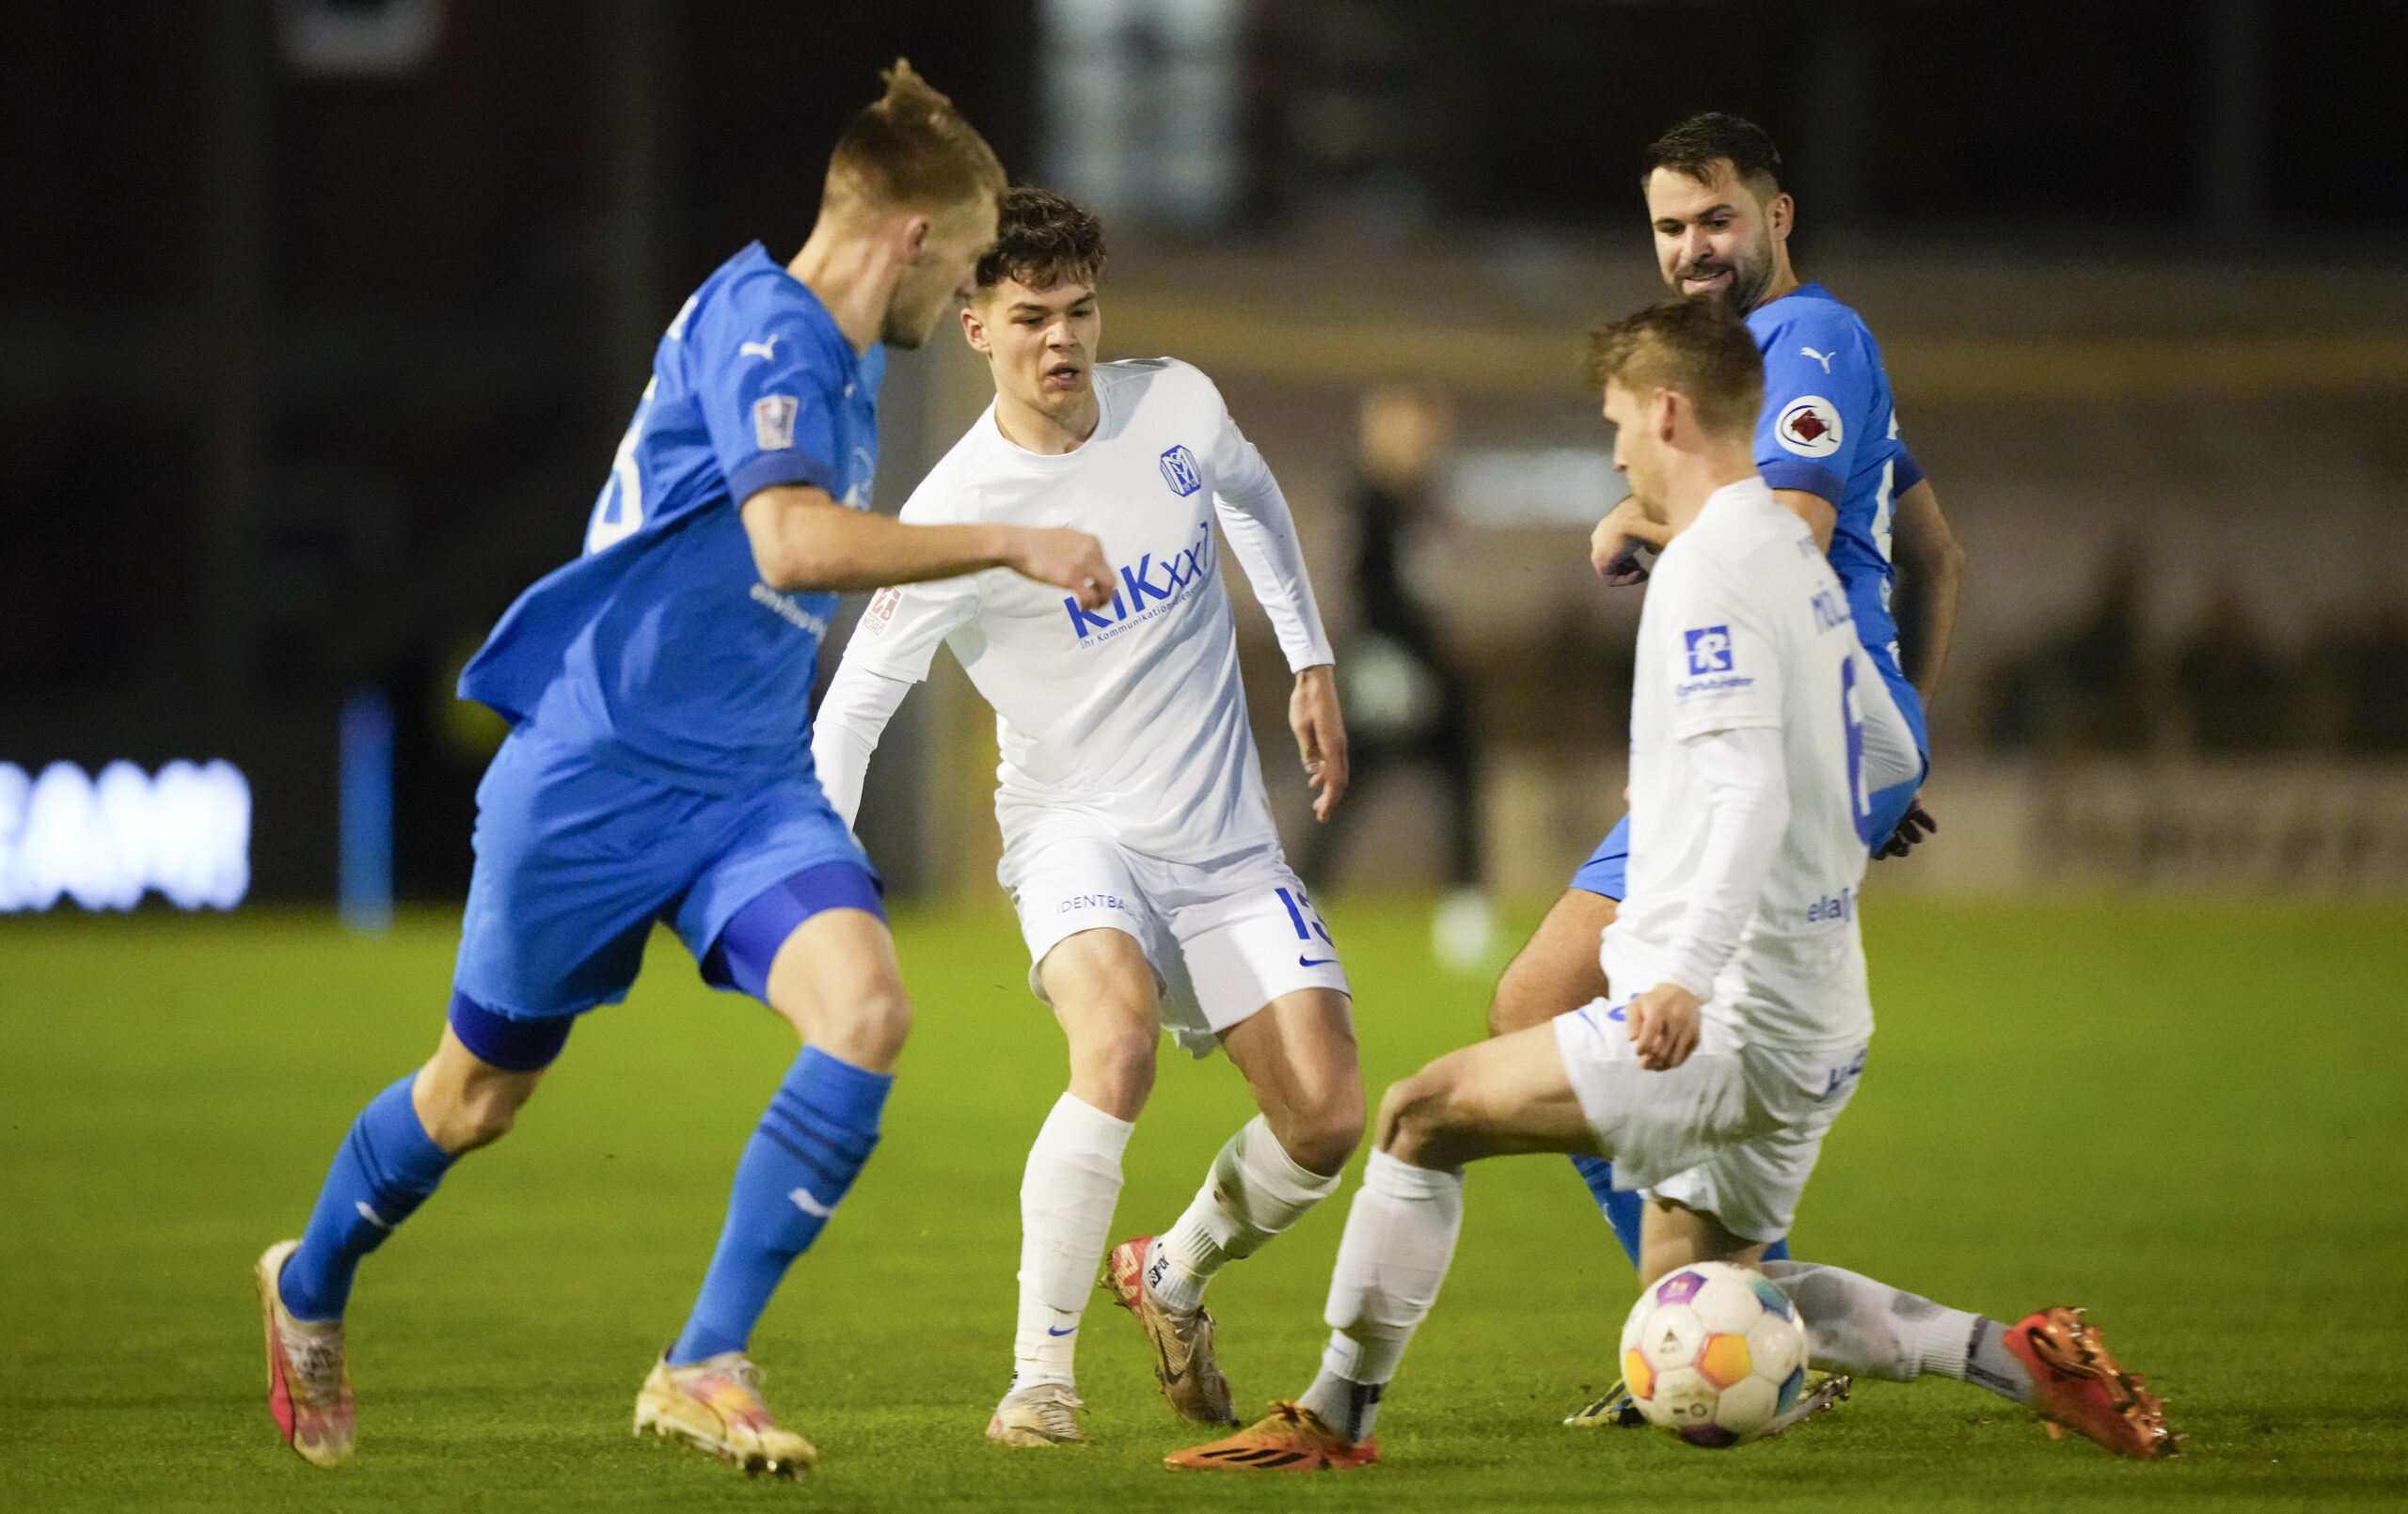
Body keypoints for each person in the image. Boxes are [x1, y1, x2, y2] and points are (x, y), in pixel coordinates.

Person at [253, 65, 1117, 1477]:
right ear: (909, 241)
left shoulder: (828, 358)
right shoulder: (767, 330)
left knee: (868, 1008)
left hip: (744, 788)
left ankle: (704, 1358)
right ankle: (310, 1281)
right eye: (958, 264)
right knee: (474, 1098)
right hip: (593, 780)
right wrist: (1010, 542)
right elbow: (789, 544)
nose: (953, 301)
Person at [1165, 297, 2177, 1473]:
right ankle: (2022, 1353)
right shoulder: (1795, 559)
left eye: (1614, 421)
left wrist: (1687, 972)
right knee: (1703, 1286)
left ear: (1667, 409)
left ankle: (1334, 1417)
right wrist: (1825, 849)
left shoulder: (1710, 572)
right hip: (1818, 1016)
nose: (1611, 452)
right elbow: (1887, 748)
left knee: (1416, 1116)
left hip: (1729, 1021)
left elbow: (1744, 784)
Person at [811, 188, 1362, 1449]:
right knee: (1110, 1045)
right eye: (1029, 317)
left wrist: (1312, 660)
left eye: (1079, 309)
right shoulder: (956, 516)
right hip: (1075, 833)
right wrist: (813, 888)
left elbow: (1254, 498)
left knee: (1326, 1121)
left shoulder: (1175, 402)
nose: (1062, 338)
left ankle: (1169, 1271)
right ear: (974, 327)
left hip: (1221, 842)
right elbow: (854, 706)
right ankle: (1038, 1377)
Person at [1482, 112, 1969, 1312]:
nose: (1694, 247)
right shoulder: (1748, 361)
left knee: (1543, 1003)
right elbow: (1936, 549)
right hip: (1812, 724)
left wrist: (1634, 526)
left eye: (1718, 219)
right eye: (1669, 227)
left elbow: (1787, 531)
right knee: (1669, 1029)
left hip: (1769, 723)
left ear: (1775, 215)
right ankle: (1727, 1319)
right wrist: (1889, 731)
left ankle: (1719, 1320)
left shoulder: (1802, 336)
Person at [1296, 385, 1492, 970]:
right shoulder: (1365, 501)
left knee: (1460, 777)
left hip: (1429, 662)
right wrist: (1412, 649)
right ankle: (1302, 906)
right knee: (1346, 784)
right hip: (1387, 665)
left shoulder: (1424, 498)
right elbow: (1369, 591)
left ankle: (1465, 913)